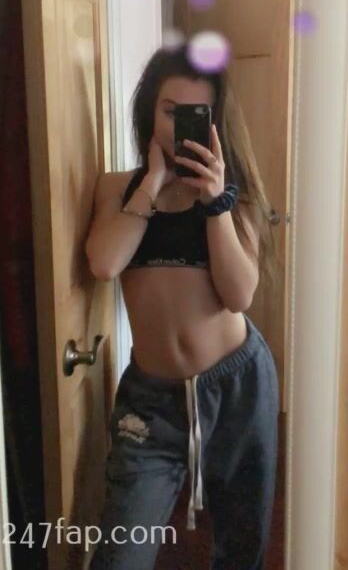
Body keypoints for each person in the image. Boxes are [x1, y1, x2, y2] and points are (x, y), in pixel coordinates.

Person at [86, 44, 280, 570]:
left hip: (237, 386)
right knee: (121, 555)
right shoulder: (117, 189)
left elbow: (239, 296)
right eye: (171, 111)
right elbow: (105, 263)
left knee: (240, 546)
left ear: (216, 122)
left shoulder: (235, 197)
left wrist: (215, 203)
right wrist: (151, 184)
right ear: (150, 108)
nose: (180, 128)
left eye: (197, 114)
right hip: (151, 402)